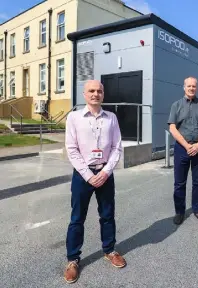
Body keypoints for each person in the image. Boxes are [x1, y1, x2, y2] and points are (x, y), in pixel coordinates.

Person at [63, 80, 126, 284]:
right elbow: (71, 149)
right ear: (84, 94)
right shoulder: (74, 117)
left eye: (99, 91)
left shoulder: (112, 118)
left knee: (107, 215)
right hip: (83, 175)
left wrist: (106, 172)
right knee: (77, 218)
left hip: (105, 174)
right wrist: (89, 175)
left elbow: (117, 147)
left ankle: (109, 250)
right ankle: (73, 260)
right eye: (91, 91)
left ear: (103, 94)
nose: (95, 94)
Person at [167, 76, 198, 225]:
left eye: (194, 86)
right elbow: (172, 127)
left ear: (197, 88)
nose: (191, 88)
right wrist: (187, 146)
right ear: (184, 87)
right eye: (189, 86)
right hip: (182, 148)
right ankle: (179, 212)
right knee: (179, 183)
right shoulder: (176, 105)